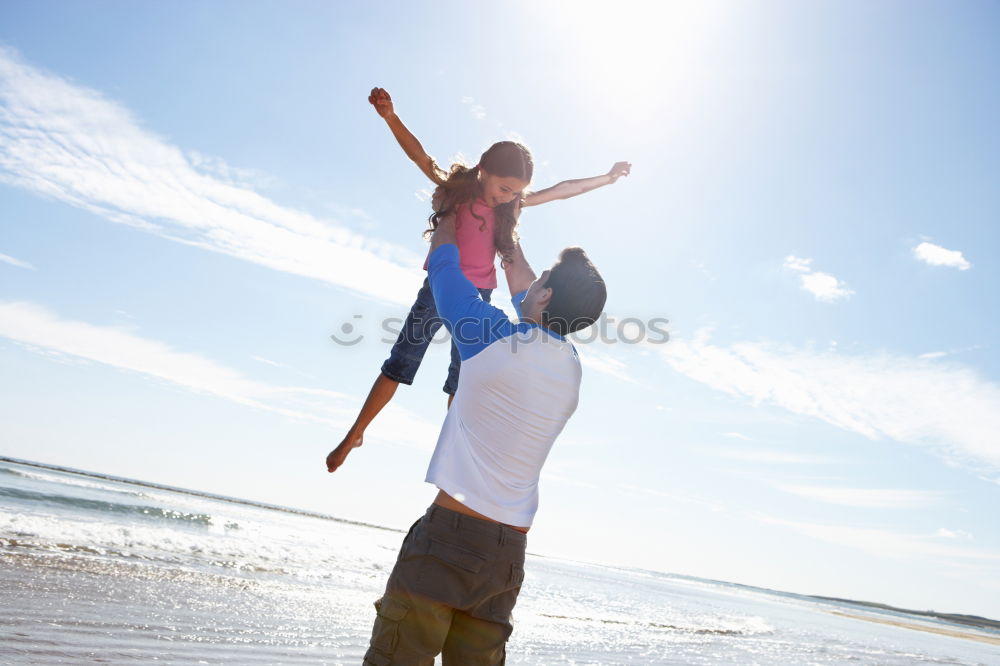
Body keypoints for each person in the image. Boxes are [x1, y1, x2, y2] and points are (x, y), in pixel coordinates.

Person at [342, 208, 608, 665]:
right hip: (506, 557)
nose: (532, 281)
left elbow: (445, 271)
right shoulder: (570, 368)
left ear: (544, 295)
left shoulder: (490, 335)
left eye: (542, 278)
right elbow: (530, 295)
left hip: (450, 538)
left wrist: (447, 213)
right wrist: (510, 244)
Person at [324, 87, 629, 473]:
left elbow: (561, 192)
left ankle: (454, 449)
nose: (508, 198)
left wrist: (607, 178)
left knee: (462, 377)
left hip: (479, 295)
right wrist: (390, 117)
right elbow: (421, 157)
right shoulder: (459, 191)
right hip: (438, 290)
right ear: (483, 171)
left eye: (515, 192)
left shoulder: (511, 205)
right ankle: (356, 431)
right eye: (503, 188)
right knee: (401, 361)